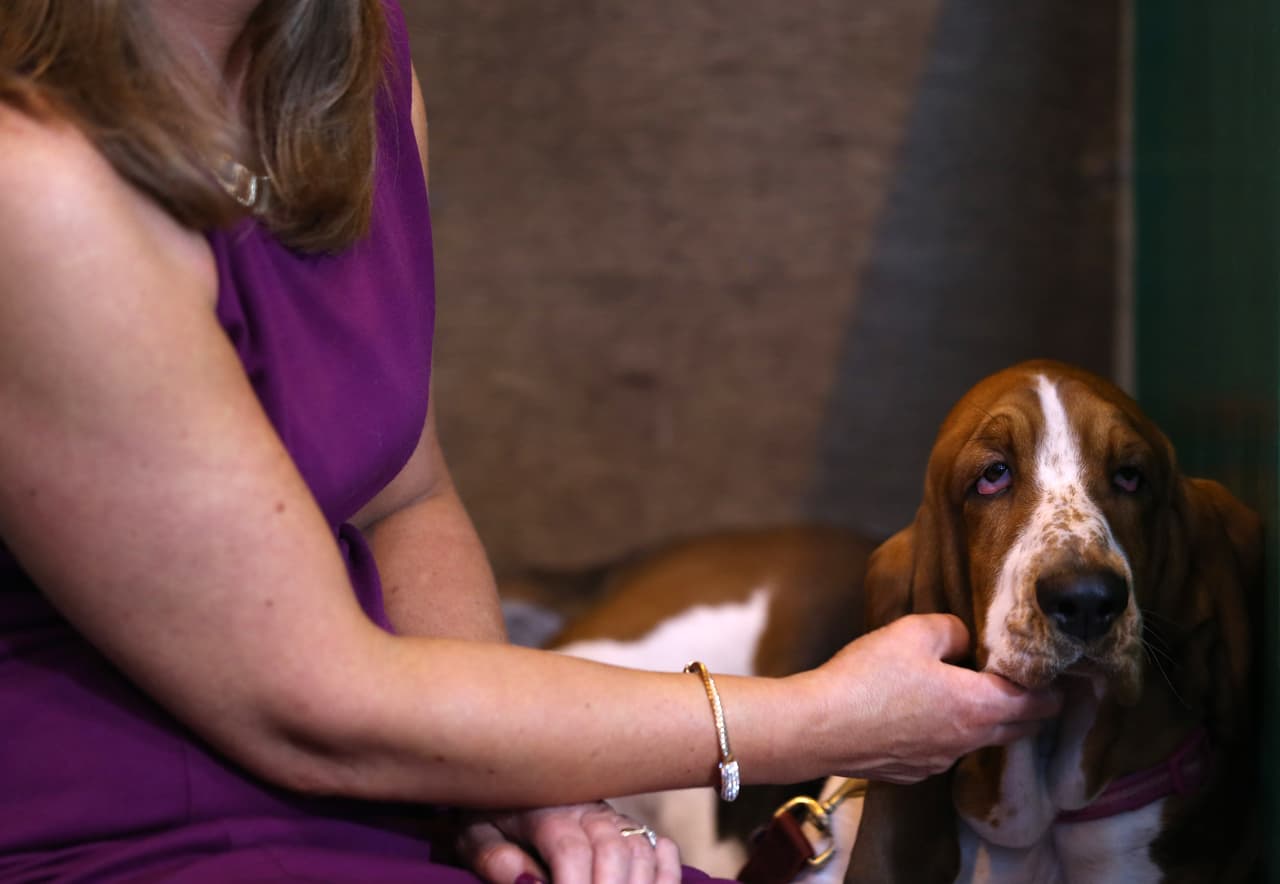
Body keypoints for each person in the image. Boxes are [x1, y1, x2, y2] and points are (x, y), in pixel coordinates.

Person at [0, 2, 1061, 882]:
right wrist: (814, 721)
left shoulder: (346, 61)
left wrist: (511, 789)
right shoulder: (36, 183)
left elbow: (402, 491)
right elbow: (310, 708)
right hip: (142, 823)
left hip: (391, 766)